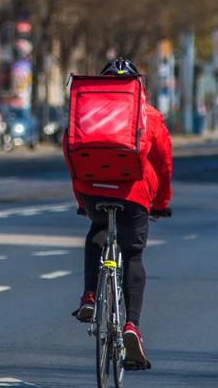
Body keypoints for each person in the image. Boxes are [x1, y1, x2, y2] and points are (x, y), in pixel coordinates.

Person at [64, 57, 173, 369]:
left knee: (97, 229)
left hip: (92, 189)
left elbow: (71, 151)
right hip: (133, 195)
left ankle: (89, 296)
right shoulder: (149, 115)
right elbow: (163, 163)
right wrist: (161, 202)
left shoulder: (86, 112)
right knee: (133, 255)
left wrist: (82, 199)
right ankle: (131, 326)